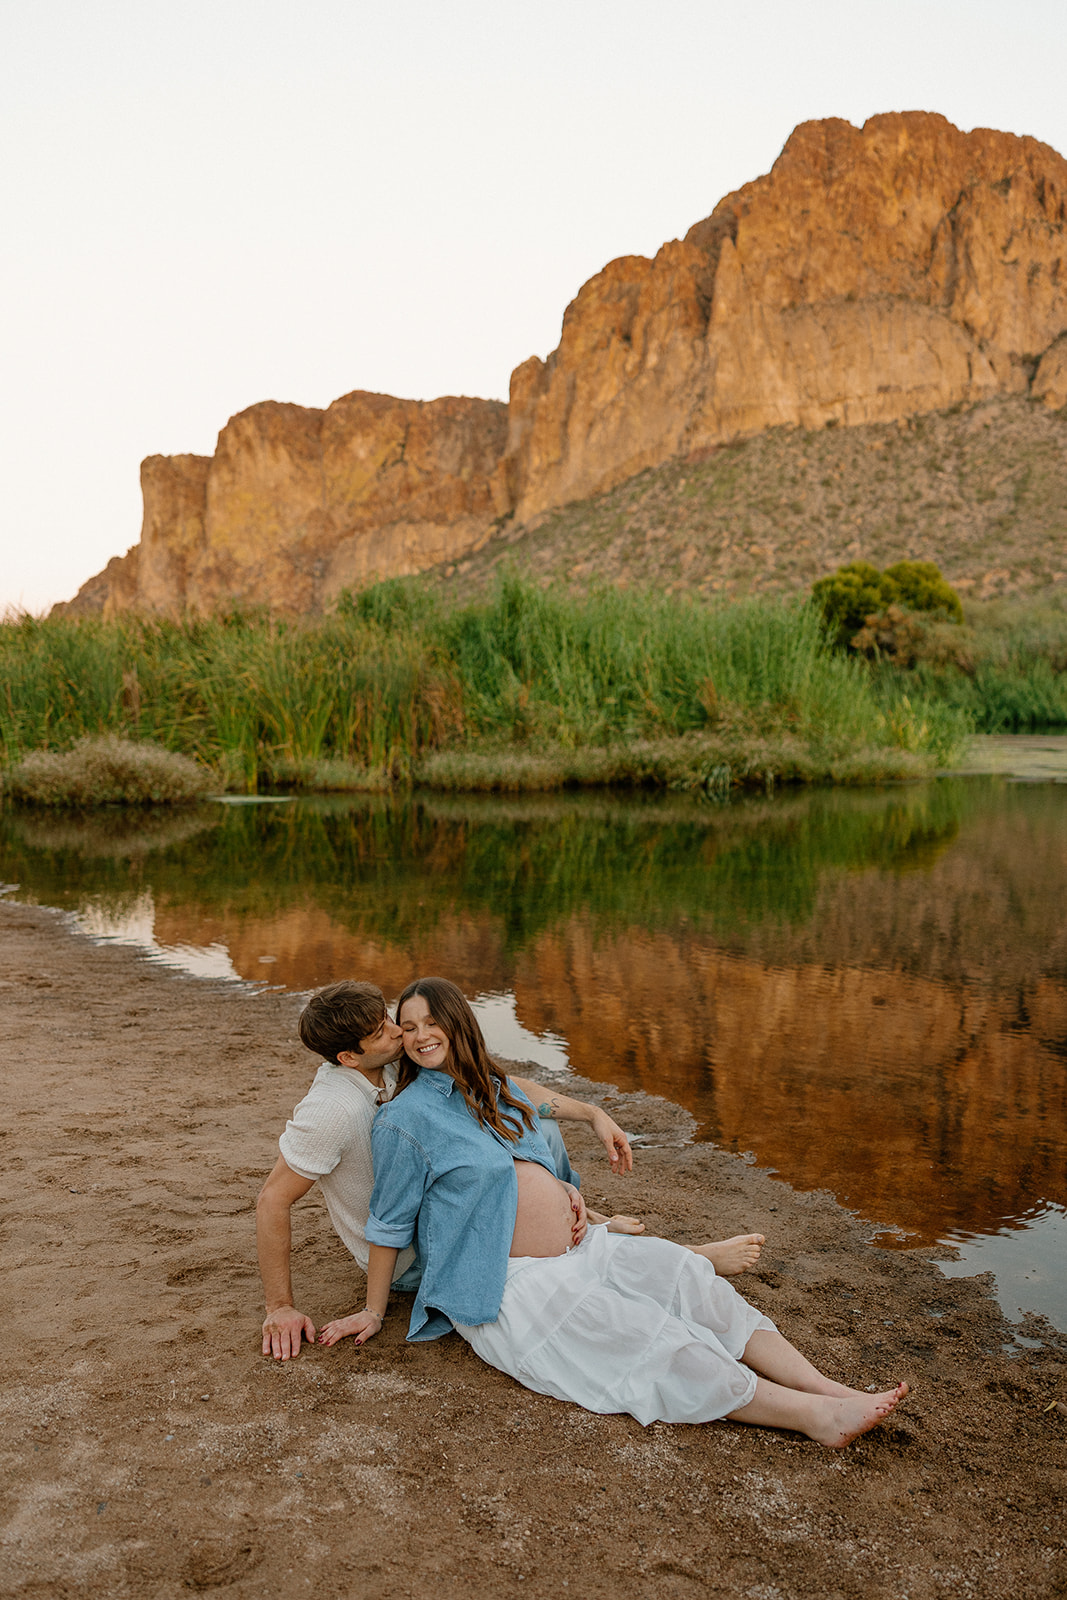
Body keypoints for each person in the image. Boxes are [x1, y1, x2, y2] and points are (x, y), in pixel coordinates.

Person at [319, 977, 908, 1449]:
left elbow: (534, 1118)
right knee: (648, 1339)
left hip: (580, 1248)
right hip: (510, 1284)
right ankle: (812, 1416)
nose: (421, 1035)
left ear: (458, 1024)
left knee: (691, 1281)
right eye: (411, 1025)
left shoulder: (493, 1089)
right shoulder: (403, 1119)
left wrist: (584, 1155)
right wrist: (374, 1310)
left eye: (433, 1021)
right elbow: (390, 1223)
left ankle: (829, 1387)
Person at [258, 979, 763, 1361]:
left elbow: (499, 1086)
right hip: (413, 1254)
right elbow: (272, 1200)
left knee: (531, 1128)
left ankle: (595, 1222)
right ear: (348, 1057)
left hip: (435, 1209)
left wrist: (591, 1112)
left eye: (396, 1022)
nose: (400, 1032)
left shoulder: (386, 1061)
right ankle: (667, 1253)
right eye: (387, 1030)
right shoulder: (331, 1110)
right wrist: (280, 1306)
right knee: (514, 1180)